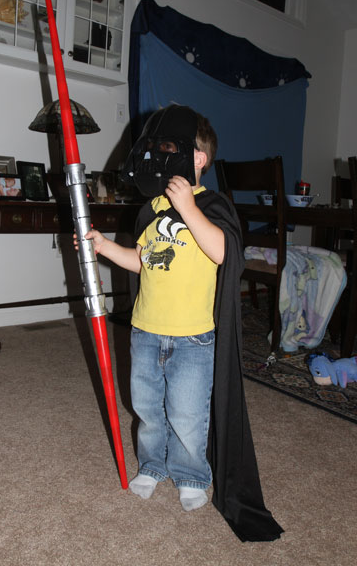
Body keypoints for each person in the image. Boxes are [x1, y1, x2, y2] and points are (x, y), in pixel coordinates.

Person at [75, 105, 283, 541]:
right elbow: (142, 261)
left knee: (187, 414)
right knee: (148, 408)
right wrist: (104, 247)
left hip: (193, 338)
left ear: (197, 158)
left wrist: (188, 207)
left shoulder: (212, 206)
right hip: (146, 331)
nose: (158, 159)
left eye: (167, 149)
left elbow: (223, 253)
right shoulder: (151, 210)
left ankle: (191, 474)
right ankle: (153, 464)